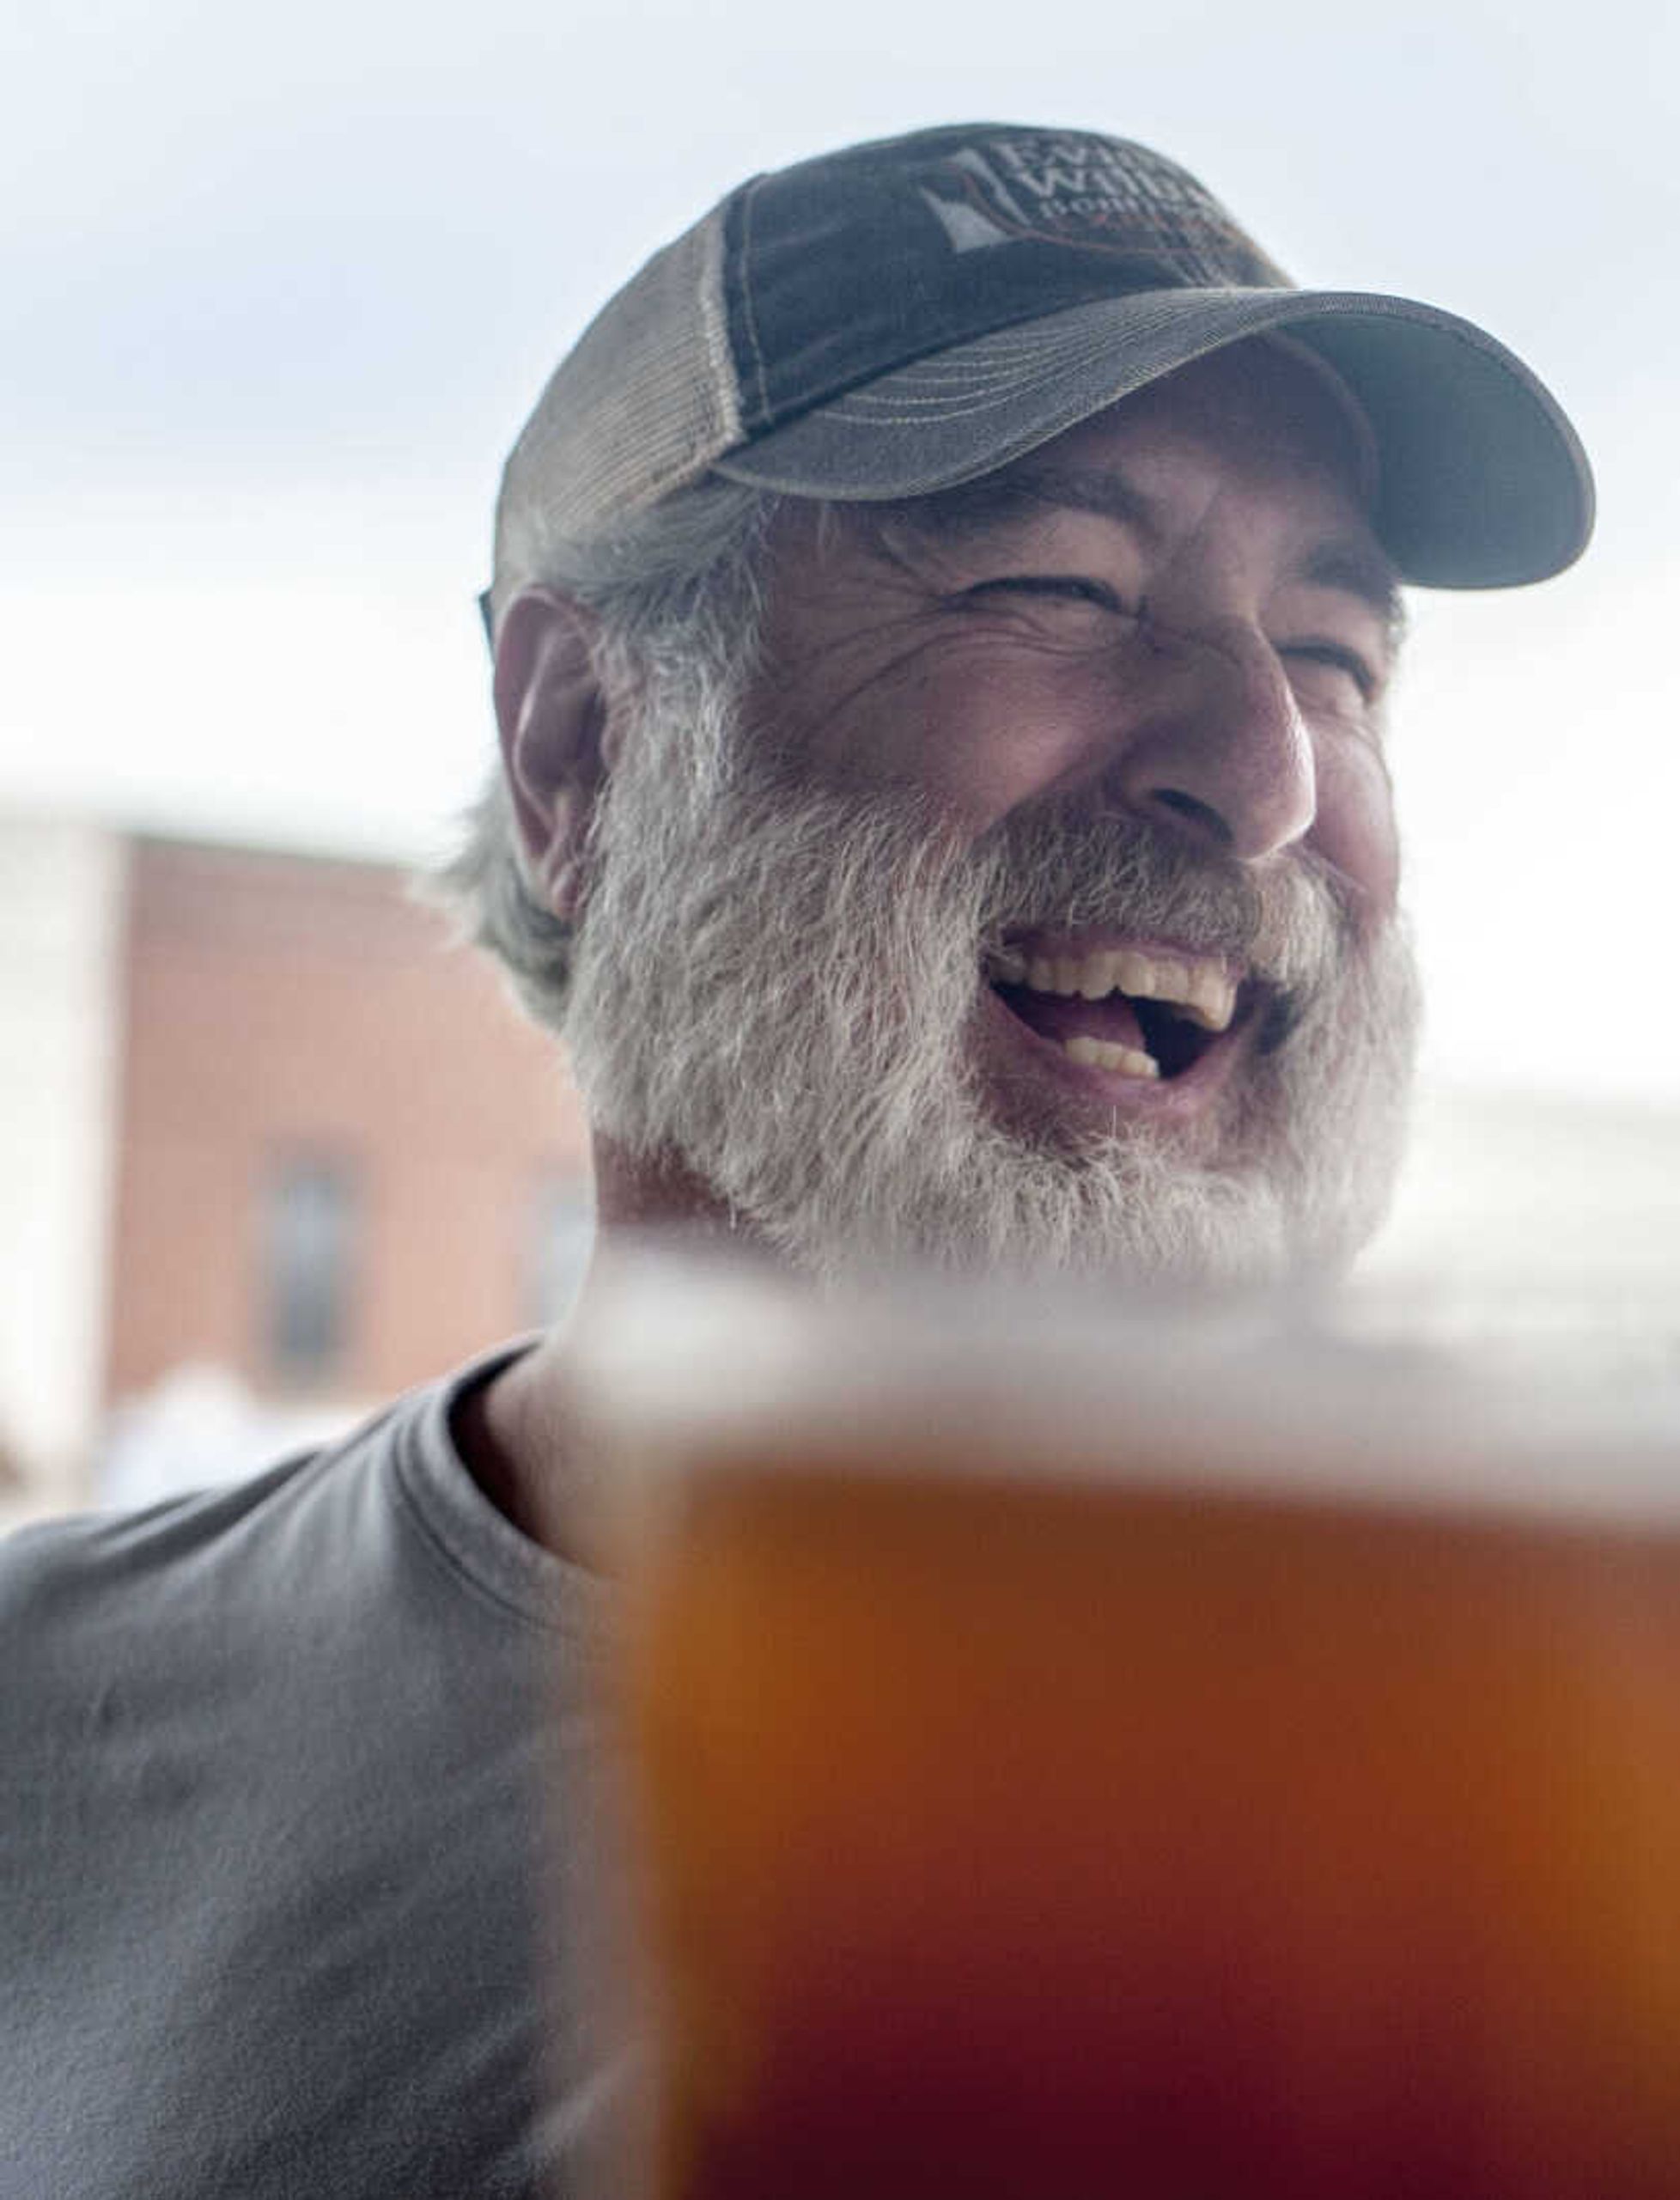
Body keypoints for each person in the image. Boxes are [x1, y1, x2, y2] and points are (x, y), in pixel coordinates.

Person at [0, 122, 1590, 2198]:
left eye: (1334, 658)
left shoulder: (1657, 1791)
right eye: (1061, 587)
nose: (1264, 775)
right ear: (583, 749)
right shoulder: (47, 1715)